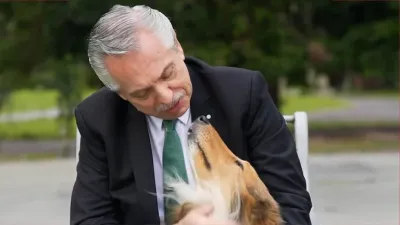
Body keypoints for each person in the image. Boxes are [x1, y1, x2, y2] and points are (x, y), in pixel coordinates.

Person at [70, 4, 312, 225]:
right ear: (121, 94)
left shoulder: (243, 94)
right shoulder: (98, 118)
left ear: (177, 46)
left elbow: (292, 205)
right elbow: (90, 219)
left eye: (167, 74)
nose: (166, 97)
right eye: (143, 93)